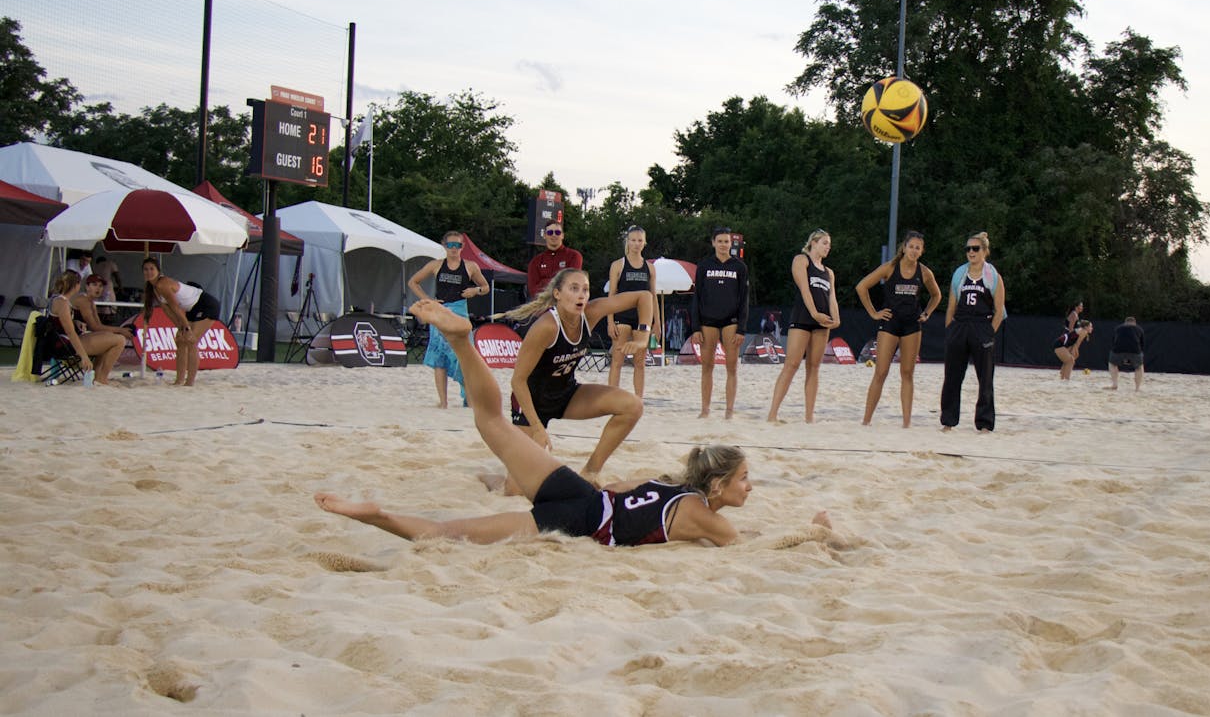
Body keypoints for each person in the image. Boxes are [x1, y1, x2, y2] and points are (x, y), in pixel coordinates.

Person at [315, 300, 833, 547]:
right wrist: (815, 535)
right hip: (576, 523)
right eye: (744, 478)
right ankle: (376, 515)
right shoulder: (706, 515)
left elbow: (619, 484)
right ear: (718, 485)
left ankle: (460, 341)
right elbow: (750, 546)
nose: (751, 484)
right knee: (449, 532)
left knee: (491, 422)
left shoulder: (672, 485)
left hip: (579, 492)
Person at [497, 268, 655, 486]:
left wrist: (643, 338)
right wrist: (536, 427)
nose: (581, 294)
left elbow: (644, 296)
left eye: (586, 289)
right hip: (531, 404)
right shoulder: (546, 327)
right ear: (557, 294)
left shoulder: (591, 312)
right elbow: (517, 381)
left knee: (633, 406)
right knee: (514, 489)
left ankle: (590, 472)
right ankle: (491, 480)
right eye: (574, 288)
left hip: (565, 394)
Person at [855, 230, 942, 427]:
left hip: (912, 325)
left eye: (917, 248)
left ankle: (906, 423)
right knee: (881, 371)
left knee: (907, 373)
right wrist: (873, 312)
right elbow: (862, 287)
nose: (913, 250)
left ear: (922, 251)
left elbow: (937, 296)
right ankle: (866, 421)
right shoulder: (890, 268)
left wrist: (927, 313)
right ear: (904, 248)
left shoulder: (925, 272)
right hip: (889, 324)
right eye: (910, 246)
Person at [408, 232, 490, 408]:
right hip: (440, 312)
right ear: (444, 246)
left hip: (460, 313)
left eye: (457, 246)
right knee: (440, 357)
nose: (454, 249)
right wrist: (427, 300)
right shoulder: (436, 265)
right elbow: (413, 282)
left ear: (462, 247)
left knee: (465, 356)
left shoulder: (470, 266)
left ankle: (469, 397)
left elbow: (485, 287)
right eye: (450, 245)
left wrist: (474, 291)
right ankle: (443, 402)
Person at [768, 229, 840, 423]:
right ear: (814, 242)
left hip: (822, 322)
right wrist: (815, 313)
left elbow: (831, 297)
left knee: (814, 367)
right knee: (791, 364)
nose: (828, 247)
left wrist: (836, 317)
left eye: (829, 244)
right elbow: (805, 289)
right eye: (825, 243)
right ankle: (772, 414)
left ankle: (809, 417)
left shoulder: (829, 272)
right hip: (803, 317)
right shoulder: (802, 260)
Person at [940, 232, 1005, 432]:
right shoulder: (960, 273)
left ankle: (984, 423)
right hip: (960, 325)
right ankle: (948, 421)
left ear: (985, 251)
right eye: (968, 248)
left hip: (981, 326)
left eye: (975, 248)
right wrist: (950, 330)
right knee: (952, 376)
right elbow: (951, 306)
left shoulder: (992, 276)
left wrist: (989, 333)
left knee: (985, 378)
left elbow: (999, 310)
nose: (971, 252)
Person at [691, 227, 750, 419]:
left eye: (727, 241)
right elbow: (697, 297)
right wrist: (695, 327)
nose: (724, 245)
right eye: (721, 241)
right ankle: (705, 409)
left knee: (731, 367)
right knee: (707, 366)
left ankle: (729, 411)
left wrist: (742, 328)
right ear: (713, 242)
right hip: (708, 321)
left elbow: (744, 300)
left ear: (731, 243)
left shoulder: (739, 267)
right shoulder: (704, 266)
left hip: (731, 321)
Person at [141, 257, 219, 386]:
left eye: (151, 269)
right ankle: (179, 380)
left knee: (191, 341)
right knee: (180, 341)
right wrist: (180, 327)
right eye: (145, 269)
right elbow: (168, 311)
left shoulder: (162, 284)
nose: (148, 272)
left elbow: (175, 307)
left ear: (158, 271)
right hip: (191, 308)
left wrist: (186, 328)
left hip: (205, 304)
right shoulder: (154, 288)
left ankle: (190, 382)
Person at [43, 270, 125, 385]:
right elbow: (71, 333)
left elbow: (59, 322)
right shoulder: (63, 303)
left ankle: (97, 376)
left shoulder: (58, 300)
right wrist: (84, 357)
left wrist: (75, 321)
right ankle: (101, 378)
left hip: (61, 340)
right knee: (119, 340)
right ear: (76, 285)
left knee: (109, 337)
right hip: (65, 344)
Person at [606, 225, 657, 398]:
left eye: (640, 240)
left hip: (642, 318)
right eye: (633, 240)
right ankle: (612, 398)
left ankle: (638, 399)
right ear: (628, 241)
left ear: (645, 243)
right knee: (617, 361)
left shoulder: (650, 268)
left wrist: (655, 322)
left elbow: (653, 297)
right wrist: (610, 321)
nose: (636, 244)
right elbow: (611, 295)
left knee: (640, 362)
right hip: (621, 315)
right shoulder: (618, 265)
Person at [71, 274, 137, 354]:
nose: (98, 288)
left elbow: (99, 326)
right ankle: (101, 367)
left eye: (101, 286)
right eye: (94, 285)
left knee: (111, 337)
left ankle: (100, 367)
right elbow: (94, 327)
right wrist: (120, 330)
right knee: (119, 340)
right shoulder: (83, 300)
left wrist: (120, 331)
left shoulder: (91, 303)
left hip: (78, 336)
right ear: (87, 287)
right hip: (70, 339)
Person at [526, 221, 583, 299]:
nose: (554, 235)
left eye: (557, 232)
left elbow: (571, 282)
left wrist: (544, 283)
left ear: (562, 235)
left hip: (565, 303)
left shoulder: (574, 256)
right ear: (545, 235)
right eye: (550, 232)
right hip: (542, 305)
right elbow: (533, 289)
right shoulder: (535, 262)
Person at [1107, 317, 1145, 391]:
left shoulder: (1118, 328)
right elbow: (1142, 344)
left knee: (1112, 364)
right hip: (1135, 350)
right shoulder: (1139, 329)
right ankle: (1137, 388)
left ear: (1125, 322)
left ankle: (1115, 384)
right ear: (1134, 322)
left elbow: (1113, 341)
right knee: (1139, 367)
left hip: (1118, 350)